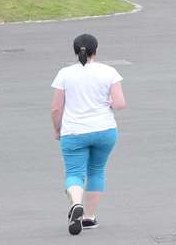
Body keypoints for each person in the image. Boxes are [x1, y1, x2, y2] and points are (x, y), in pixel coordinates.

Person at [52, 33, 126, 235]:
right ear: (97, 49)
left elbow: (56, 108)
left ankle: (76, 204)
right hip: (104, 130)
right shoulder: (109, 72)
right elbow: (120, 103)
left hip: (74, 131)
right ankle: (89, 217)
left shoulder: (65, 74)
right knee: (96, 170)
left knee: (75, 173)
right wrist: (108, 104)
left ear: (76, 51)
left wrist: (57, 128)